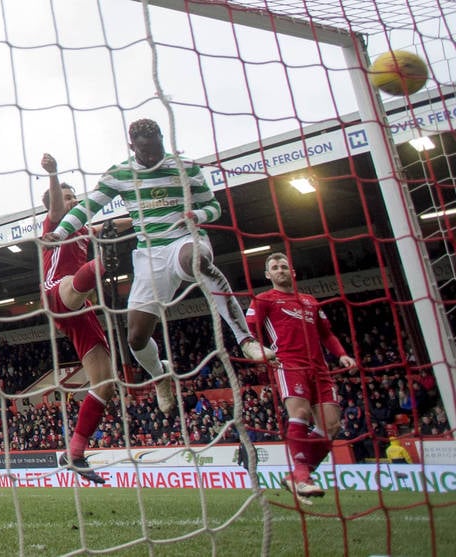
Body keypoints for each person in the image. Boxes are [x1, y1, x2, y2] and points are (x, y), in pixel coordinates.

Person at [42, 119, 275, 415]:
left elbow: (214, 207)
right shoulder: (121, 174)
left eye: (157, 149)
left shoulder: (185, 167)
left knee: (196, 261)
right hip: (150, 256)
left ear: (163, 140)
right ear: (132, 147)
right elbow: (86, 208)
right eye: (146, 152)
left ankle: (246, 340)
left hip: (184, 240)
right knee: (136, 338)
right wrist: (60, 234)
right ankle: (159, 377)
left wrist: (197, 214)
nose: (153, 157)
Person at [40, 153, 131, 484]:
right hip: (57, 293)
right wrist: (54, 173)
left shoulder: (84, 229)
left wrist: (144, 216)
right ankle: (103, 264)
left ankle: (75, 453)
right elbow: (55, 208)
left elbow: (118, 223)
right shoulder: (54, 225)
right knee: (72, 285)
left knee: (105, 384)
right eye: (67, 198)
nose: (73, 201)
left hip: (81, 309)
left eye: (75, 197)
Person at [246, 252, 356, 505]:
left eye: (284, 266)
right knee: (301, 414)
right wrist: (260, 351)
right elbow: (250, 328)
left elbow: (327, 335)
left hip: (320, 368)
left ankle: (296, 475)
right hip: (289, 364)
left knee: (331, 427)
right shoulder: (264, 300)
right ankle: (303, 477)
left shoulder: (310, 301)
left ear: (292, 272)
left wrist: (342, 355)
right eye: (275, 267)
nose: (280, 270)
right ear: (268, 275)